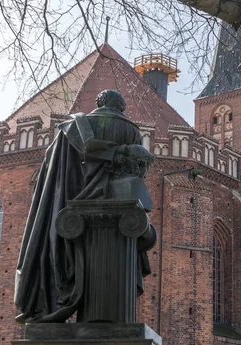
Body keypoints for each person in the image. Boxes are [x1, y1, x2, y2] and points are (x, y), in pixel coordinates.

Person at [14, 90, 156, 323]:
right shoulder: (132, 131)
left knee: (64, 256)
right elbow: (136, 172)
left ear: (99, 102)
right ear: (121, 107)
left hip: (75, 202)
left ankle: (49, 305)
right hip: (117, 205)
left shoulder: (75, 127)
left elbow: (57, 169)